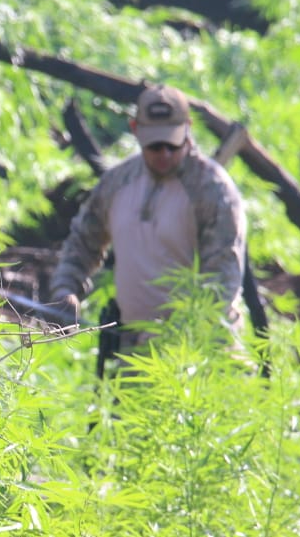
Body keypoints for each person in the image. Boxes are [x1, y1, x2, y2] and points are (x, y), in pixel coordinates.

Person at [49, 83, 247, 357]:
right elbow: (82, 243)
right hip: (134, 356)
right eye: (155, 145)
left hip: (200, 356)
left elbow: (220, 284)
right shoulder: (117, 183)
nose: (164, 153)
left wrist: (171, 333)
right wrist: (65, 288)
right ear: (135, 130)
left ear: (188, 127)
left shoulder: (213, 192)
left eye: (172, 143)